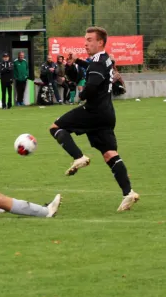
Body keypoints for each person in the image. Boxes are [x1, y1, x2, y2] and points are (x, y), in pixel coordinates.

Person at [49, 26, 139, 212]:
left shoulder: (98, 63)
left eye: (90, 39)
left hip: (93, 111)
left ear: (100, 42)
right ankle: (128, 192)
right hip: (107, 114)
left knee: (55, 127)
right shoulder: (104, 59)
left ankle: (79, 157)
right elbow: (91, 67)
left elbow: (91, 86)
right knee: (109, 154)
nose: (85, 42)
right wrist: (77, 62)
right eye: (85, 39)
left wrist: (81, 96)